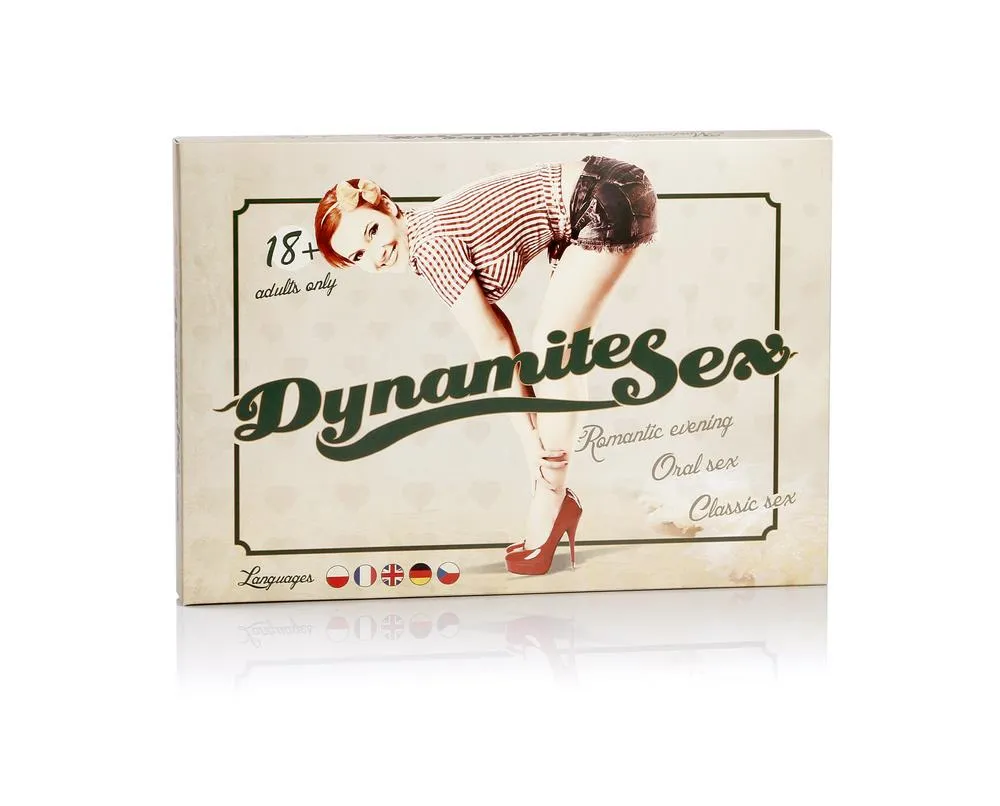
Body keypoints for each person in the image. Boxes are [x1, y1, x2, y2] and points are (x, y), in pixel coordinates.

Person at [315, 156, 658, 575]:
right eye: (358, 255)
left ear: (387, 206)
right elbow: (501, 336)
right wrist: (530, 434)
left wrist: (530, 443)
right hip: (596, 193)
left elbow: (493, 342)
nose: (376, 255)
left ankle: (550, 498)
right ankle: (552, 496)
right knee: (555, 350)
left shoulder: (430, 245)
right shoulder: (426, 237)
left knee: (555, 350)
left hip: (603, 195)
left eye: (372, 232)